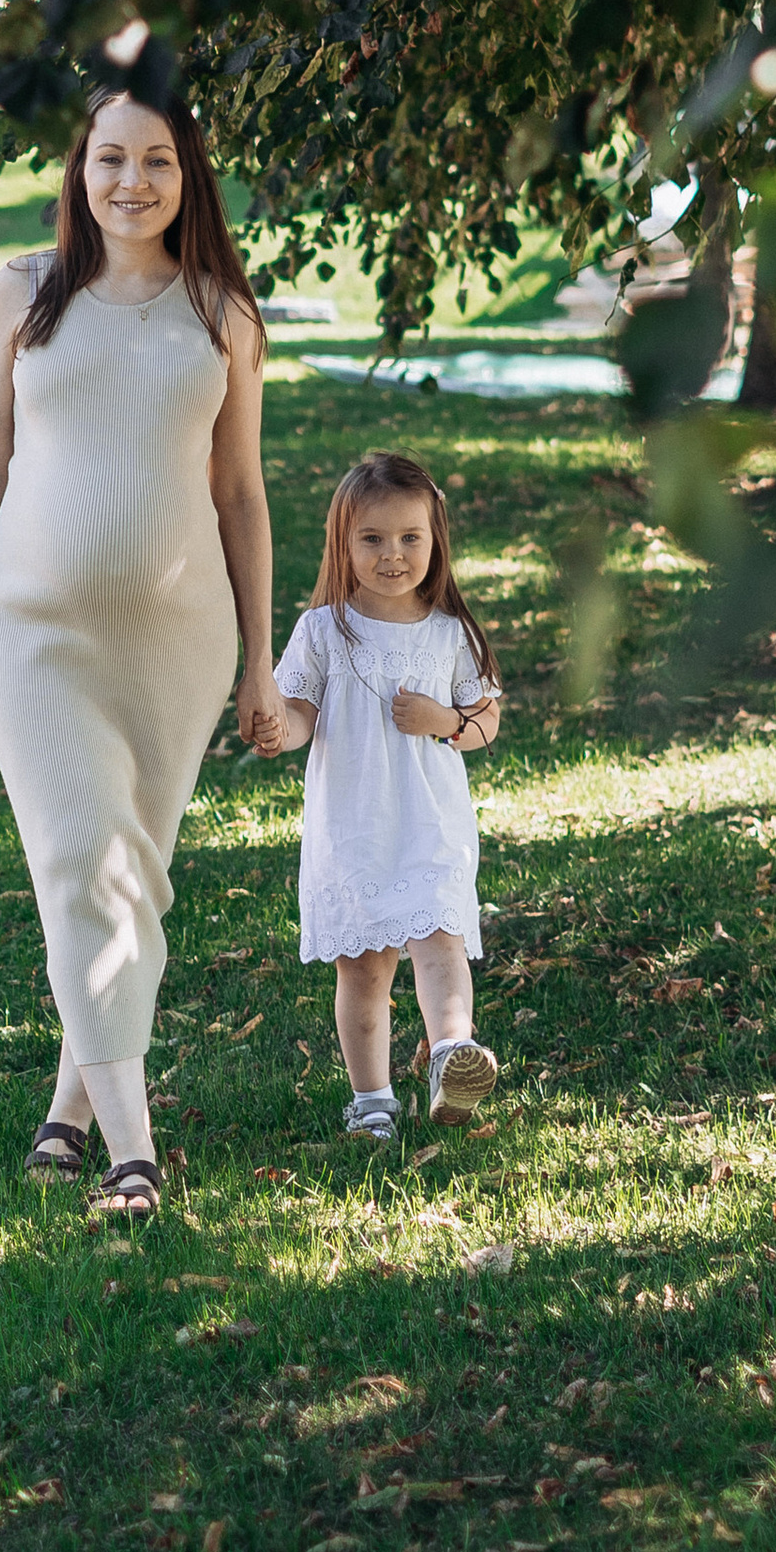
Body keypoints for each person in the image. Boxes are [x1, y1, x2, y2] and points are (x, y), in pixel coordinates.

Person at [0, 85, 283, 1222]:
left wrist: (259, 660)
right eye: (109, 159)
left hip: (178, 644)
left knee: (132, 878)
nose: (131, 181)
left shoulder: (221, 312)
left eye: (158, 162)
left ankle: (68, 1115)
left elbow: (239, 491)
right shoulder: (22, 294)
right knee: (80, 864)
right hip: (31, 630)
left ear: (190, 178)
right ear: (78, 171)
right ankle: (135, 1155)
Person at [265, 450, 503, 1145]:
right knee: (366, 976)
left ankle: (453, 1053)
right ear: (344, 543)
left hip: (431, 825)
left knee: (440, 945)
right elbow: (303, 713)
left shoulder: (450, 632)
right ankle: (372, 1100)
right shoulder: (324, 630)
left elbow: (485, 717)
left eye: (409, 538)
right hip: (356, 829)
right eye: (371, 539)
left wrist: (448, 723)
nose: (392, 554)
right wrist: (279, 728)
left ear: (435, 543)